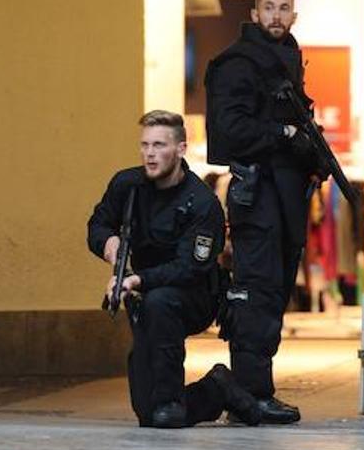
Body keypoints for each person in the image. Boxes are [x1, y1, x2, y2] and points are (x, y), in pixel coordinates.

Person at [87, 110, 262, 430]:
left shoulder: (202, 202)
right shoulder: (127, 185)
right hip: (145, 294)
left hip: (193, 295)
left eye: (159, 145)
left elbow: (189, 268)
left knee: (160, 301)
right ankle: (216, 388)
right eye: (145, 145)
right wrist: (108, 243)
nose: (150, 154)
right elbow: (98, 223)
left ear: (181, 149)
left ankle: (171, 403)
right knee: (146, 413)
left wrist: (136, 279)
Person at [204, 0, 323, 424]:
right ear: (254, 14)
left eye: (284, 8)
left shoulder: (286, 60)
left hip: (284, 197)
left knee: (272, 293)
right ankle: (250, 395)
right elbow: (232, 129)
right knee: (256, 290)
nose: (276, 15)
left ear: (294, 15)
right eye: (268, 8)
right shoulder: (240, 63)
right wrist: (284, 136)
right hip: (259, 197)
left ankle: (254, 392)